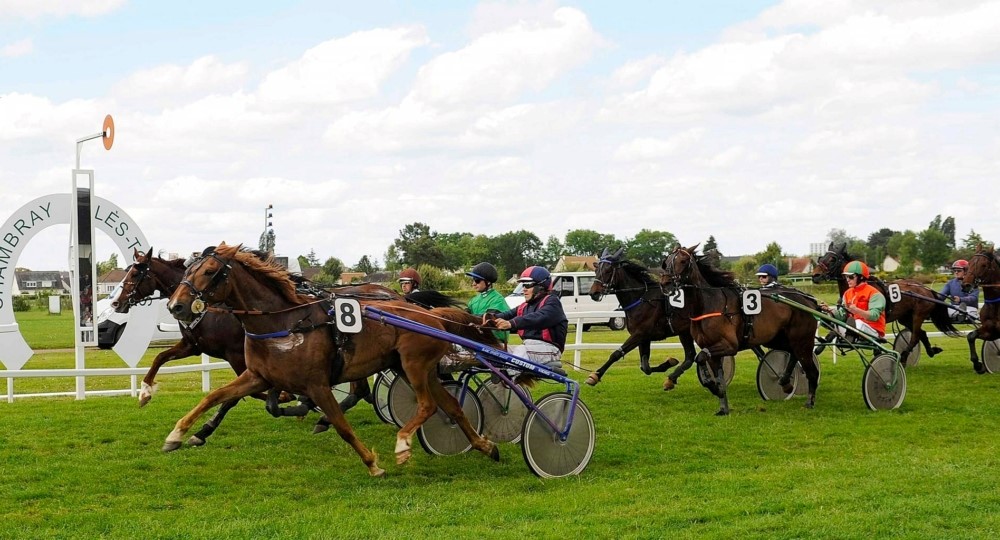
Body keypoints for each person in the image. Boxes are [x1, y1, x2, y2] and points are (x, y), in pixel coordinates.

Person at [488, 266, 568, 375]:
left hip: (550, 350)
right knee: (495, 350)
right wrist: (483, 319)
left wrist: (511, 323)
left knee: (520, 351)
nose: (524, 289)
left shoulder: (552, 302)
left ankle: (508, 378)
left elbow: (538, 318)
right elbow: (504, 315)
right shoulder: (524, 306)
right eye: (523, 285)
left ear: (541, 287)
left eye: (528, 285)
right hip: (528, 348)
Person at [819, 261, 886, 339]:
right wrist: (829, 310)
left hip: (873, 330)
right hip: (854, 328)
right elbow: (842, 315)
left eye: (850, 277)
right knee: (826, 320)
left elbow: (874, 316)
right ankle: (831, 336)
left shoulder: (875, 294)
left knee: (857, 323)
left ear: (861, 277)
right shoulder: (847, 293)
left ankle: (845, 334)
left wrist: (857, 310)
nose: (847, 280)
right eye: (846, 277)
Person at [465, 262, 509, 345]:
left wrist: (468, 318)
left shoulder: (497, 299)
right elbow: (464, 316)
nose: (473, 283)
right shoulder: (473, 300)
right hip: (478, 340)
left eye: (477, 280)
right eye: (473, 280)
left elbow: (489, 319)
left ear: (488, 282)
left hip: (495, 342)